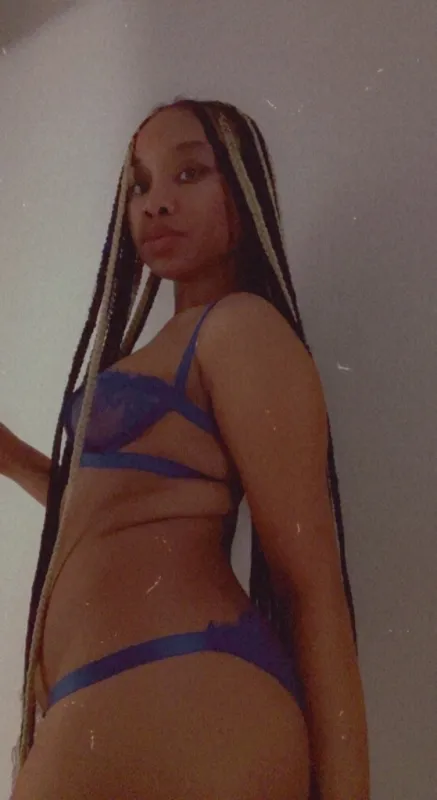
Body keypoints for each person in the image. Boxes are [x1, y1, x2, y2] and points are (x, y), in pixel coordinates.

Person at [2, 98, 369, 799]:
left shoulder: (238, 328)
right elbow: (106, 518)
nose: (156, 203)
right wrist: (14, 459)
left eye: (189, 173)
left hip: (178, 689)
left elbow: (312, 587)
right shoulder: (159, 349)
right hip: (114, 698)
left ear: (244, 193)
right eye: (139, 184)